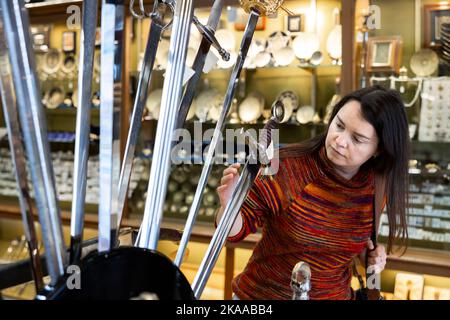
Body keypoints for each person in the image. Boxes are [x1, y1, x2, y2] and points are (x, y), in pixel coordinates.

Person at [215, 86, 410, 300]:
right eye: (339, 125)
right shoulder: (286, 166)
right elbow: (234, 232)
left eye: (357, 139)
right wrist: (229, 206)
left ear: (380, 149)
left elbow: (350, 245)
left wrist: (369, 258)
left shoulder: (376, 186)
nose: (340, 140)